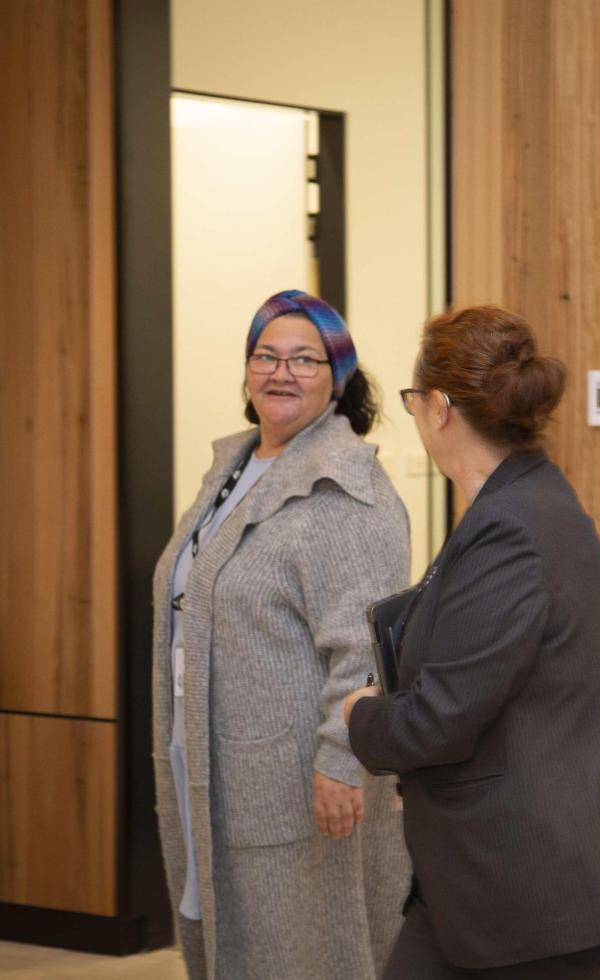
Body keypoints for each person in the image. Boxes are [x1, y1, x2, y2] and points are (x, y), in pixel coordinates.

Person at [344, 305, 600, 979]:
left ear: (439, 407)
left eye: (413, 402)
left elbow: (439, 719)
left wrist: (362, 715)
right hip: (487, 880)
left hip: (534, 885)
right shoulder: (520, 505)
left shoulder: (510, 528)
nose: (415, 418)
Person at [151, 289, 412, 979]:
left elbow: (364, 649)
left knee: (298, 951)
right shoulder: (232, 467)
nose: (280, 372)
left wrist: (339, 760)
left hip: (293, 782)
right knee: (228, 940)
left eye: (304, 358)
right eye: (265, 355)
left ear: (339, 378)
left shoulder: (346, 487)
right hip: (209, 759)